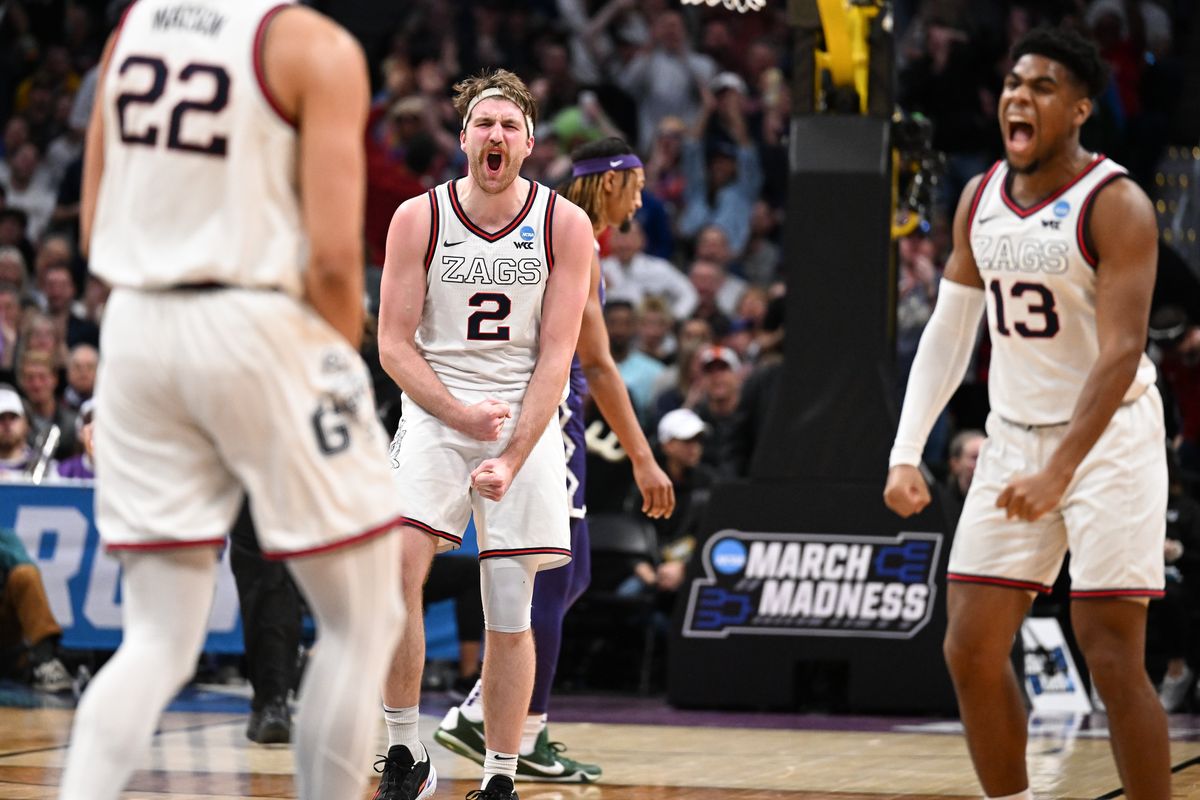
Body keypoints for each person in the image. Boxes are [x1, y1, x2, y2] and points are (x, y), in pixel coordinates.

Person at [59, 4, 407, 800]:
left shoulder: (131, 31)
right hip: (254, 321)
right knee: (365, 620)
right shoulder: (314, 47)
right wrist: (328, 366)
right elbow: (331, 259)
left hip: (137, 325)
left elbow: (91, 223)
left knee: (155, 636)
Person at [884, 27, 1170, 800]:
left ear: (1079, 109)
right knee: (971, 649)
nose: (1020, 95)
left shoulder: (1118, 204)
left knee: (1110, 654)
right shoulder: (979, 199)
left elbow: (1119, 354)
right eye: (1015, 82)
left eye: (1043, 86)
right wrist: (905, 453)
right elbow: (949, 331)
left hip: (1108, 439)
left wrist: (1060, 471)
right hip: (1014, 436)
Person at [373, 68, 593, 800]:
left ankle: (499, 778)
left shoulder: (565, 223)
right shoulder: (418, 217)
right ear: (462, 137)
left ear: (528, 141)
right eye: (483, 123)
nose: (495, 135)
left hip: (525, 418)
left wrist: (513, 452)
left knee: (509, 602)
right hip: (436, 413)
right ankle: (406, 749)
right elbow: (394, 345)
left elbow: (558, 356)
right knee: (395, 571)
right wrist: (460, 416)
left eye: (508, 125)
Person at [434, 136, 675, 783]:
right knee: (554, 572)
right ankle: (514, 727)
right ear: (612, 182)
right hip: (549, 416)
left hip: (526, 408)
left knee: (567, 573)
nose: (643, 198)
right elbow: (594, 363)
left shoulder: (548, 225)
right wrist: (645, 458)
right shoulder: (575, 238)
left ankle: (487, 713)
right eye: (638, 184)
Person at [0, 525, 72, 692]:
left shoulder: (7, 538)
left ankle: (45, 661)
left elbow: (25, 563)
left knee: (25, 574)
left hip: (6, 641)